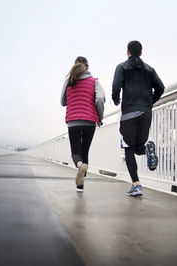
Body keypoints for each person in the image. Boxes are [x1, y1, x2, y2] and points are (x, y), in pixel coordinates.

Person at [112, 40, 165, 197]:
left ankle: (136, 185)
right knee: (137, 146)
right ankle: (147, 148)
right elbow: (161, 88)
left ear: (128, 52)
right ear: (141, 53)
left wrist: (116, 99)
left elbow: (116, 86)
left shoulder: (121, 67)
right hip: (145, 112)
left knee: (128, 148)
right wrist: (149, 102)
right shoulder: (149, 69)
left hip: (129, 112)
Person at [61, 56, 105, 192]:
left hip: (73, 121)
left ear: (75, 66)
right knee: (85, 151)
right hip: (90, 122)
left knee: (76, 152)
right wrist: (100, 117)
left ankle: (79, 166)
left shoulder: (68, 81)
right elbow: (100, 99)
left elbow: (63, 102)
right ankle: (81, 185)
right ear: (88, 67)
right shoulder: (94, 81)